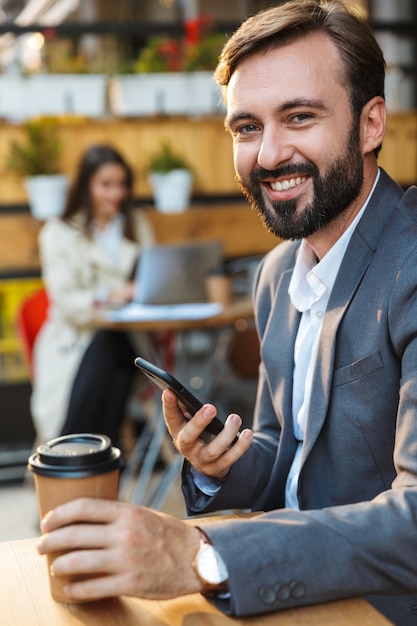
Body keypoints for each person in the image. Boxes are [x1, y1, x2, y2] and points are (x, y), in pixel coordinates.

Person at [37, 2, 417, 623]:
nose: (269, 155)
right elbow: (287, 457)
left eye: (299, 117)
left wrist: (201, 552)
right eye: (246, 127)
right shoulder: (275, 276)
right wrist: (224, 468)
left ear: (371, 122)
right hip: (296, 594)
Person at [31, 144, 153, 444]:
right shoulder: (57, 233)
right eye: (106, 185)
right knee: (108, 344)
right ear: (86, 185)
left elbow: (153, 281)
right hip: (74, 340)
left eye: (122, 185)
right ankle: (94, 454)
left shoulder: (136, 226)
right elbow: (67, 302)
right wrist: (117, 293)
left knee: (114, 344)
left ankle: (82, 457)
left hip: (131, 339)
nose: (116, 194)